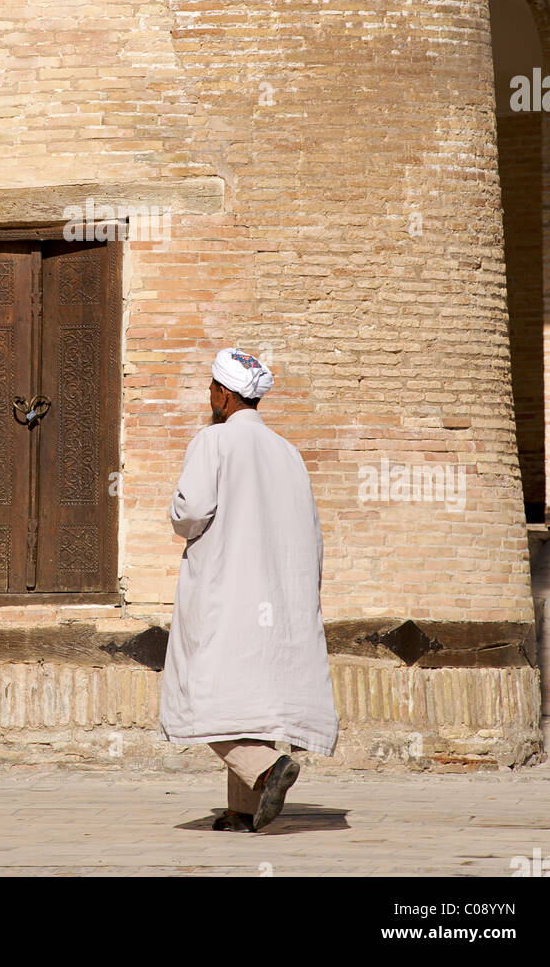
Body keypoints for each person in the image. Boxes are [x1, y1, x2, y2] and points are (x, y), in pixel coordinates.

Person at [158, 347, 339, 831]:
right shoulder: (287, 451)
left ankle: (266, 769)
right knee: (249, 700)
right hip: (274, 594)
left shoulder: (213, 441)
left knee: (199, 694)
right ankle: (243, 810)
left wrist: (175, 512)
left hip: (224, 589)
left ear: (221, 393)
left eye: (211, 388)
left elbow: (190, 512)